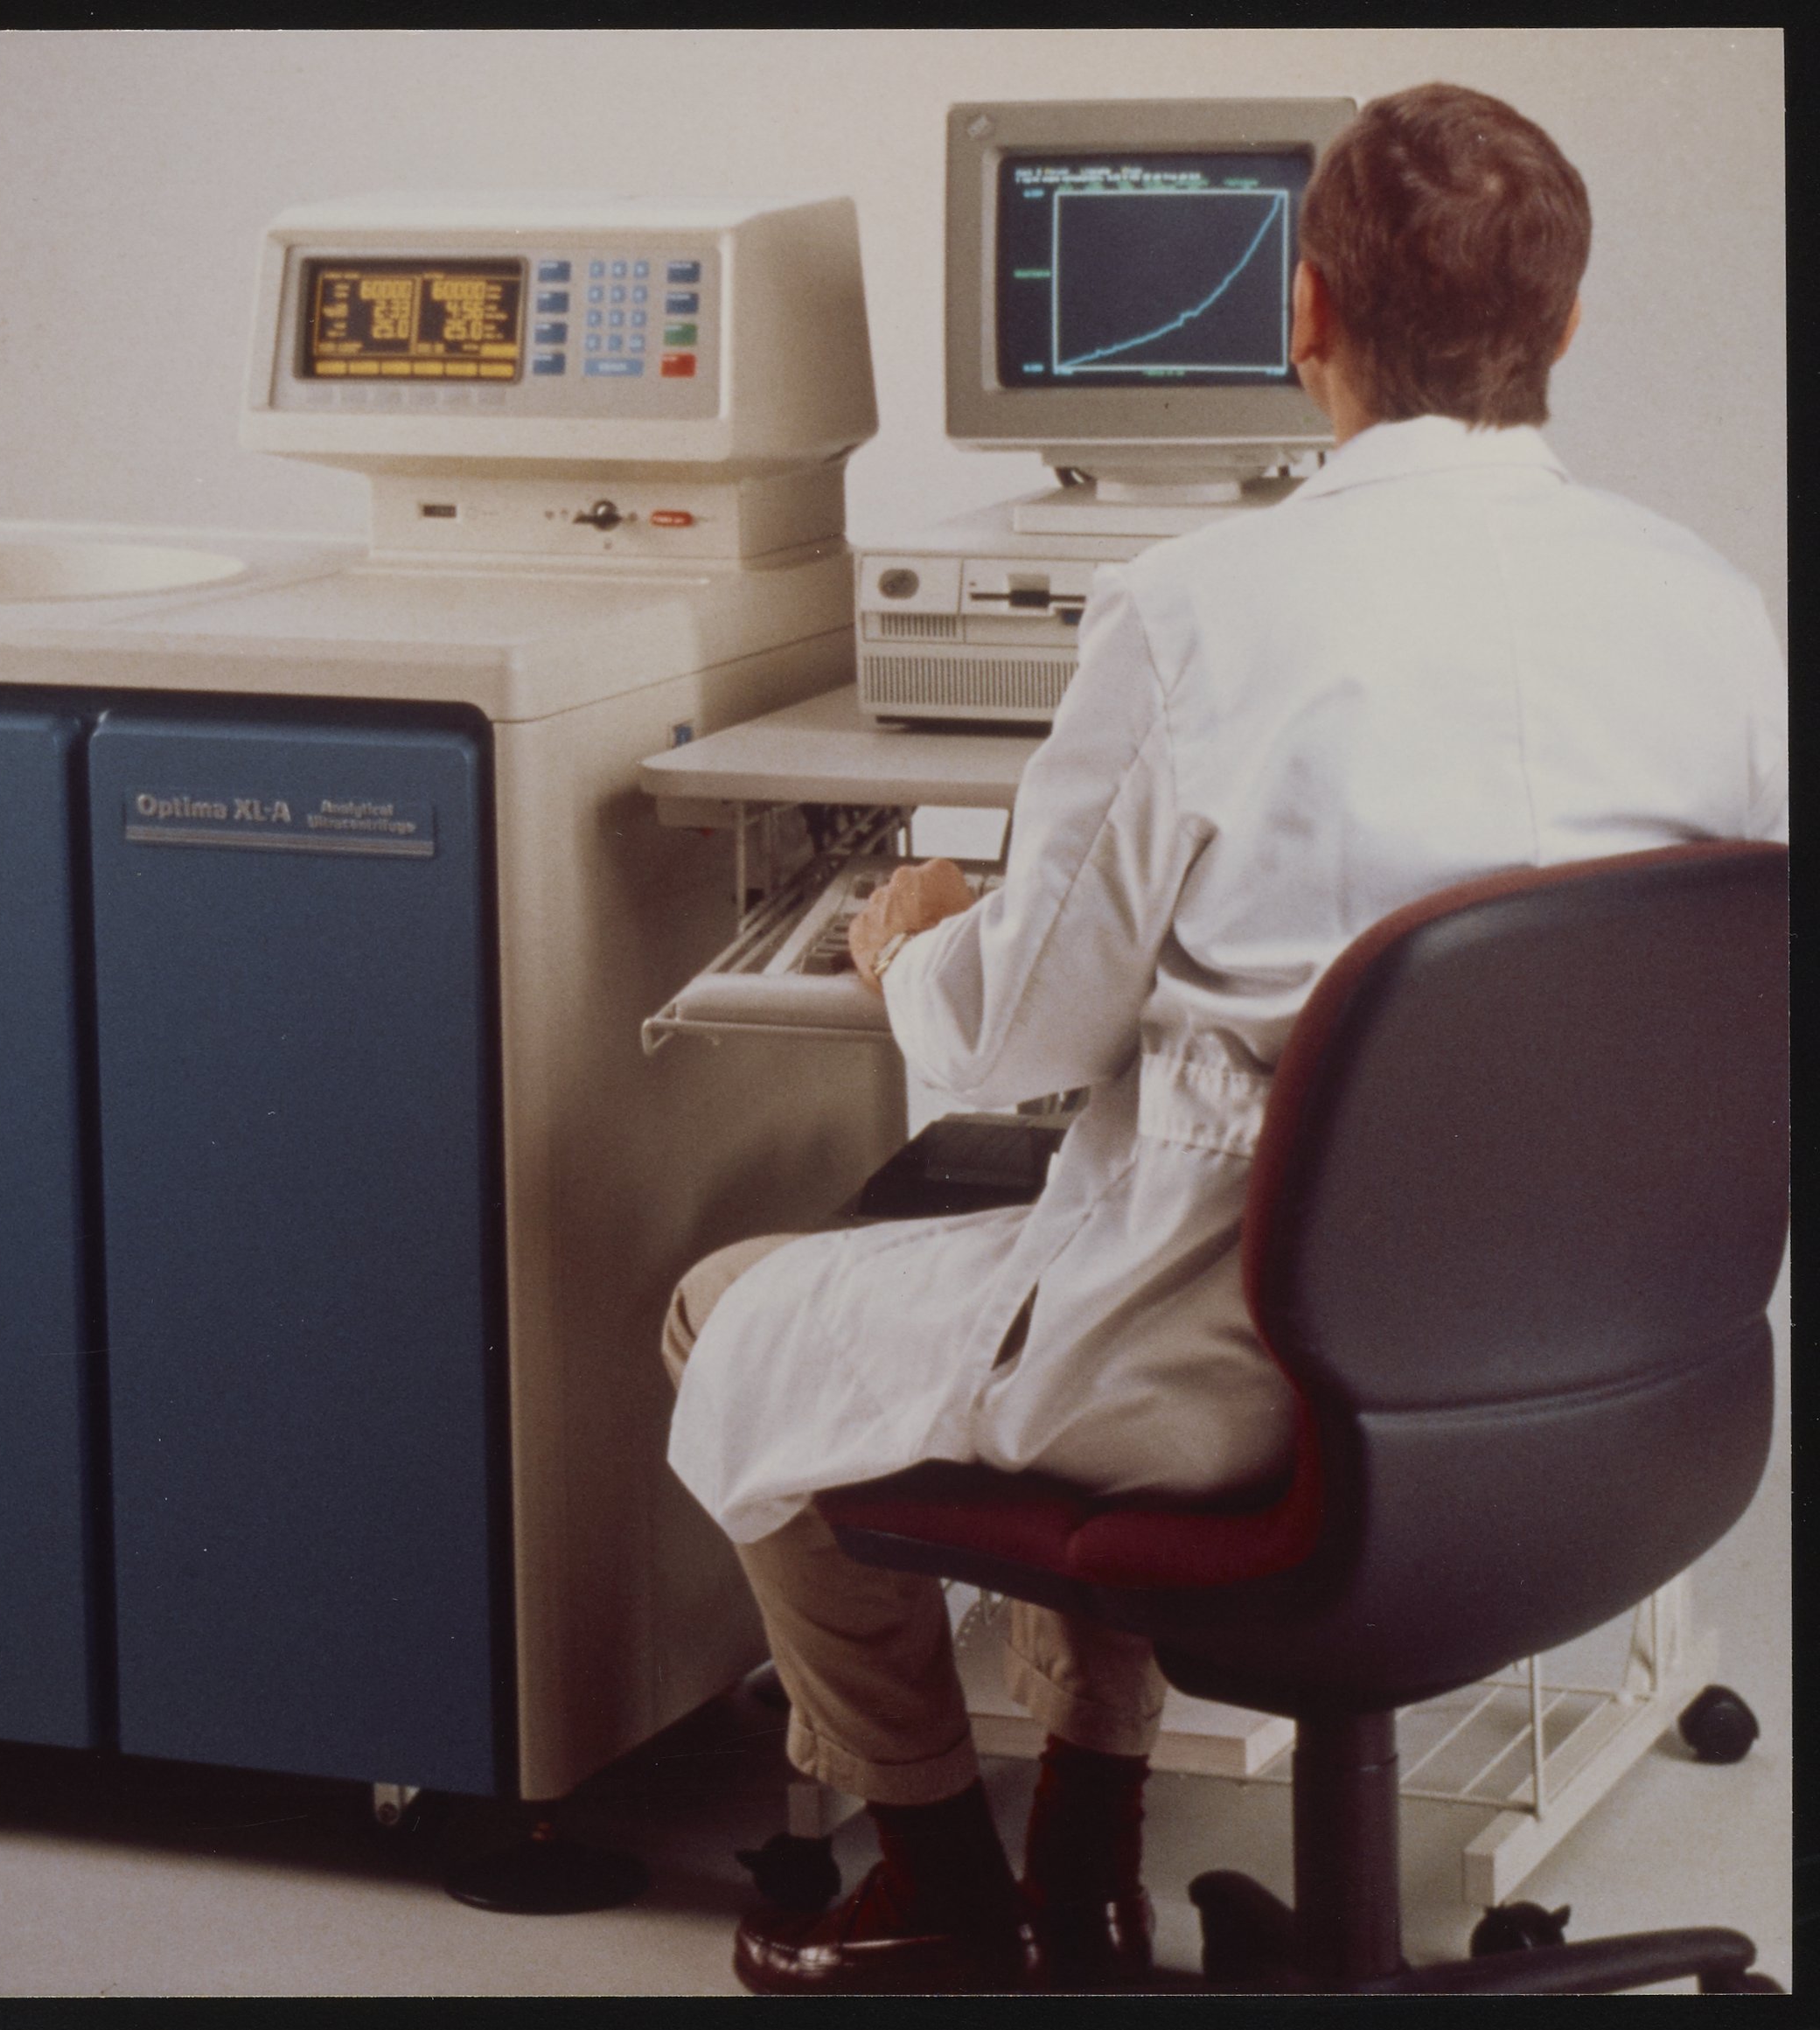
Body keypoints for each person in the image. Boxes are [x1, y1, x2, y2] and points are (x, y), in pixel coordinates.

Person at [661, 81, 1788, 1996]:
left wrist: (909, 944)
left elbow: (1021, 1036)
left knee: (732, 1314)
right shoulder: (1716, 609)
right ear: (1569, 324)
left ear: (1305, 312)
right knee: (1081, 1246)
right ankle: (1085, 1847)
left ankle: (937, 1872)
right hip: (1623, 1382)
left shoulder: (1198, 611)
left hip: (1254, 1389)